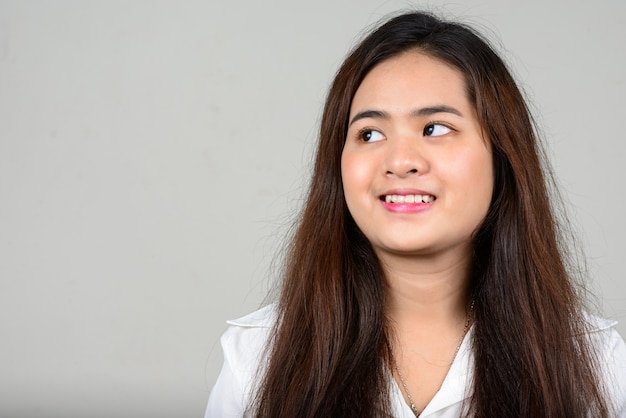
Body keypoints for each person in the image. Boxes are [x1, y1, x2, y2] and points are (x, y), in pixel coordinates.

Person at [205, 11, 626, 417]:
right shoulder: (260, 355)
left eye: (435, 128)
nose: (400, 161)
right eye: (369, 134)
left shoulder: (595, 366)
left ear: (502, 157)